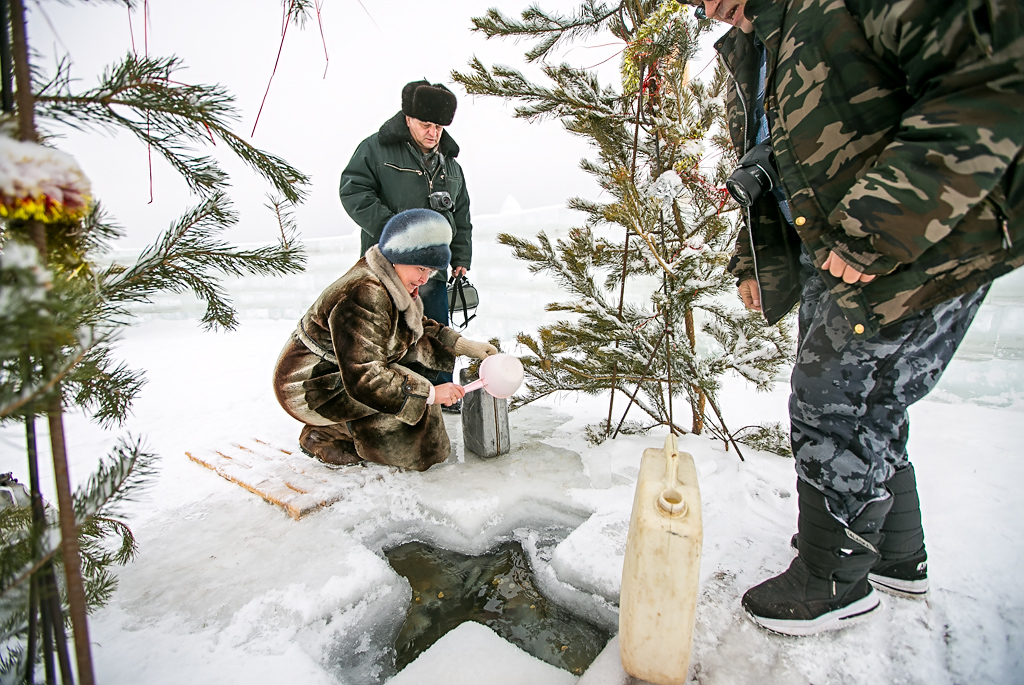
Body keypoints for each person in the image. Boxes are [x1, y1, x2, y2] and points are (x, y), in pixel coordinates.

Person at [687, 0, 1023, 635]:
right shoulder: (749, 51)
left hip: (913, 244)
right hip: (833, 253)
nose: (707, 6)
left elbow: (987, 78)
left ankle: (835, 579)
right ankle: (894, 553)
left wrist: (874, 230)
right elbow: (770, 165)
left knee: (831, 401)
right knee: (871, 400)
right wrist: (751, 260)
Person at [273, 209, 496, 471]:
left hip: (341, 374)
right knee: (413, 437)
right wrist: (431, 394)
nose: (424, 279)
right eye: (420, 267)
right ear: (398, 256)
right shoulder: (365, 291)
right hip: (311, 386)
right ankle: (328, 432)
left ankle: (345, 425)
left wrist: (465, 346)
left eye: (431, 270)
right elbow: (364, 375)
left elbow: (414, 328)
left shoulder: (392, 280)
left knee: (421, 418)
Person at [340, 79, 473, 411]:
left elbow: (462, 212)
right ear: (408, 118)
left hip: (435, 268)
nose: (433, 133)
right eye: (426, 124)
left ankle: (441, 394)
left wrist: (461, 254)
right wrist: (395, 230)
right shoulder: (376, 149)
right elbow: (353, 191)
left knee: (436, 331)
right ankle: (388, 399)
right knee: (387, 335)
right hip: (388, 266)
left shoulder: (451, 164)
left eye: (439, 126)